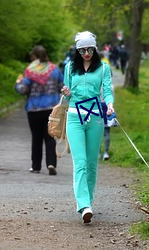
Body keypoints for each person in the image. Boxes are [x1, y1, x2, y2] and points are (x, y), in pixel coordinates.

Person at [61, 31, 114, 223]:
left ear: (95, 48)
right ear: (77, 50)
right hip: (74, 117)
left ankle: (88, 201)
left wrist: (109, 104)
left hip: (96, 119)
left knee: (92, 163)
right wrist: (66, 92)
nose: (86, 53)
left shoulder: (103, 68)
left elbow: (107, 90)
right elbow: (67, 97)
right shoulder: (69, 68)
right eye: (82, 50)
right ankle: (83, 205)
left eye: (90, 49)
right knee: (80, 162)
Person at [15, 45, 64, 175]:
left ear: (34, 57)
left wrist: (18, 83)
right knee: (50, 137)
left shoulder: (30, 71)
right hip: (51, 109)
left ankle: (36, 166)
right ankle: (51, 163)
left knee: (36, 138)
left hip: (34, 109)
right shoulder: (55, 70)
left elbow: (23, 90)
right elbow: (62, 87)